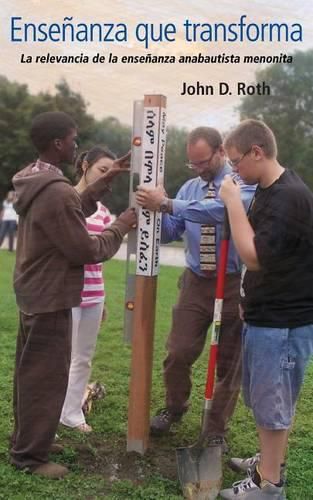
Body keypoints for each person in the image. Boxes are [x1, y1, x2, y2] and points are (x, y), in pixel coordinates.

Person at [10, 112, 136, 479]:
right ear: (58, 144)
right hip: (50, 296)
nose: (77, 144)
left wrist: (106, 177)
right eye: (73, 139)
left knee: (31, 373)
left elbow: (71, 206)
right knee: (45, 378)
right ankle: (29, 458)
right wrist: (122, 224)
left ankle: (31, 440)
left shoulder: (38, 179)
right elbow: (86, 250)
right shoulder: (56, 191)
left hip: (36, 292)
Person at [136, 127, 255, 446]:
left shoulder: (239, 183)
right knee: (178, 351)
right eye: (193, 164)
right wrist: (151, 217)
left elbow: (217, 213)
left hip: (232, 283)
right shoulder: (189, 188)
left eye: (203, 161)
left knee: (229, 363)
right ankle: (174, 408)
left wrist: (168, 203)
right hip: (195, 283)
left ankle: (215, 430)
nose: (199, 169)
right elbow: (173, 228)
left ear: (220, 152)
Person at [218, 119, 313, 499]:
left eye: (236, 162)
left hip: (283, 322)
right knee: (266, 399)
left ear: (257, 152)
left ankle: (268, 485)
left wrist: (230, 201)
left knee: (272, 404)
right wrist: (247, 300)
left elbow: (254, 255)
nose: (234, 172)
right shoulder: (269, 189)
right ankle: (269, 462)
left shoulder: (288, 196)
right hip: (267, 314)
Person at [60, 146, 115, 433]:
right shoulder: (65, 200)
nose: (105, 178)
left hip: (94, 296)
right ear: (85, 165)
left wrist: (102, 301)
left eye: (110, 174)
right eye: (101, 170)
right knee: (60, 358)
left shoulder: (104, 213)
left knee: (83, 357)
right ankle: (50, 413)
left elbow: (100, 259)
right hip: (66, 295)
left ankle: (71, 414)